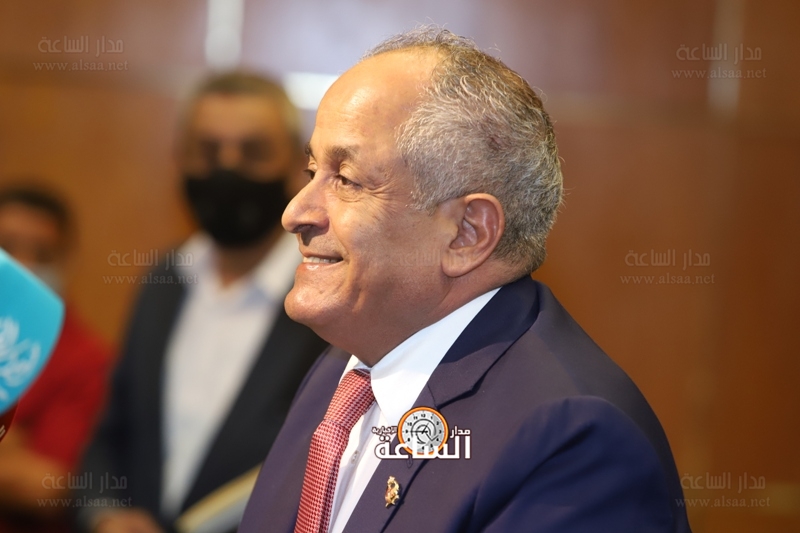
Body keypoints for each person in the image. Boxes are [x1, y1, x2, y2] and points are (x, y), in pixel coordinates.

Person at [238, 27, 692, 533]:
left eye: (346, 180)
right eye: (311, 172)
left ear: (466, 234)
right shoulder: (342, 372)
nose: (295, 212)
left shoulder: (576, 445)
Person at [76, 72, 328, 533]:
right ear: (180, 159)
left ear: (297, 164)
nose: (227, 170)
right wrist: (105, 515)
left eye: (253, 152)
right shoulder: (164, 280)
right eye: (208, 152)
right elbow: (112, 431)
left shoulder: (327, 302)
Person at [0, 184, 110, 533]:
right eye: (6, 247)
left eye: (42, 253)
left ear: (66, 262)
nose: (23, 265)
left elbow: (48, 487)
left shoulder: (87, 360)